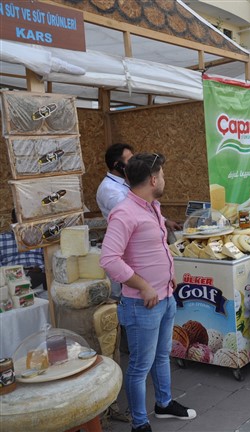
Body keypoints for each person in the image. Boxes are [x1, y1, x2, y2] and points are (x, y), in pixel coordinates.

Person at [100, 153, 196, 432]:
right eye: (163, 175)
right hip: (142, 303)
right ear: (153, 179)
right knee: (140, 365)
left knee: (162, 355)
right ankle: (139, 423)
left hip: (165, 297)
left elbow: (156, 248)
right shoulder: (124, 212)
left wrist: (168, 277)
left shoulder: (152, 206)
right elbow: (109, 259)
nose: (164, 179)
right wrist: (143, 285)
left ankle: (163, 404)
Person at [0, 210, 46, 291]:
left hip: (38, 278)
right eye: (19, 221)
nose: (23, 224)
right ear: (13, 221)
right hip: (11, 282)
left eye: (26, 220)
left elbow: (49, 261)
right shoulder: (2, 239)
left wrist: (41, 269)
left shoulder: (40, 238)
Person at [97, 143, 134, 219]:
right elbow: (131, 212)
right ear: (118, 165)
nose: (134, 164)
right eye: (130, 161)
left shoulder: (125, 181)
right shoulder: (109, 188)